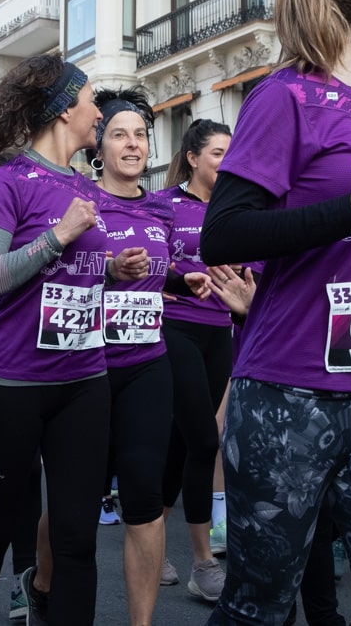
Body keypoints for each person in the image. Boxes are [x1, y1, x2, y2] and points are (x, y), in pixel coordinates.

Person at [200, 0, 351, 624]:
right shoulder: (286, 95)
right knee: (260, 608)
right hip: (289, 392)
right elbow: (223, 233)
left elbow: (337, 243)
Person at [0, 56, 147, 626]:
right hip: (10, 384)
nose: (99, 114)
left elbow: (67, 274)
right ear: (64, 110)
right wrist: (59, 235)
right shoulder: (8, 180)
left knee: (75, 538)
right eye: (90, 101)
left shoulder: (83, 185)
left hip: (83, 382)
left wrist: (111, 270)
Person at [156, 119, 235, 598]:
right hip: (175, 328)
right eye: (218, 153)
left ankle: (150, 542)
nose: (227, 162)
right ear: (193, 158)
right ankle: (203, 564)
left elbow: (256, 266)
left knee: (180, 444)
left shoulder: (237, 208)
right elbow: (150, 258)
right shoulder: (165, 204)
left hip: (220, 332)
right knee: (206, 441)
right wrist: (167, 277)